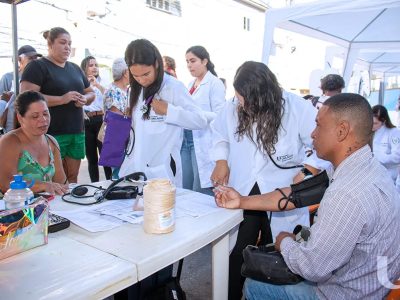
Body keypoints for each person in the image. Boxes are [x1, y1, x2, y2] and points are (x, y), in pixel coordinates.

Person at [215, 93, 400, 300]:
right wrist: (241, 200)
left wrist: (284, 242)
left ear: (342, 131)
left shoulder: (346, 194)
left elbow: (312, 267)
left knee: (254, 284)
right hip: (371, 283)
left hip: (345, 294)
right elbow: (297, 195)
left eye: (319, 125)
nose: (312, 134)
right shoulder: (366, 167)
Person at [210, 61, 325, 300]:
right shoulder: (233, 106)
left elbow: (321, 143)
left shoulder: (296, 107)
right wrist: (221, 161)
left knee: (281, 255)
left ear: (265, 95)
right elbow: (219, 134)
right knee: (237, 253)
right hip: (244, 191)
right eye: (240, 98)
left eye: (246, 100)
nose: (241, 105)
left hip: (283, 194)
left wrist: (308, 169)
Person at [119, 39, 207, 187]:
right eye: (135, 76)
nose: (141, 80)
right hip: (133, 169)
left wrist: (169, 111)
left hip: (161, 172)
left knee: (161, 208)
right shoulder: (134, 90)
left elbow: (200, 120)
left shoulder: (173, 87)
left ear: (157, 64)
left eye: (146, 74)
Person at [20, 27, 95, 183]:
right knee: (53, 179)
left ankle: (72, 205)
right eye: (62, 42)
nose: (67, 47)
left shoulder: (75, 68)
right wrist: (62, 99)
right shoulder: (37, 67)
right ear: (50, 44)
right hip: (51, 132)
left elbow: (91, 93)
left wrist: (84, 98)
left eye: (69, 43)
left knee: (73, 177)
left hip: (76, 130)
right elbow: (26, 97)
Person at [0, 91, 68, 195]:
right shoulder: (10, 142)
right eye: (35, 116)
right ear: (20, 118)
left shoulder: (51, 141)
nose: (43, 119)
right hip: (16, 208)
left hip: (47, 207)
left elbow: (62, 182)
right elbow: (5, 184)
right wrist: (42, 185)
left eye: (45, 113)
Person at [181, 45, 226, 195]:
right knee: (185, 186)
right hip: (186, 141)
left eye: (193, 61)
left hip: (202, 141)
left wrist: (196, 115)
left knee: (199, 190)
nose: (189, 65)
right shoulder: (190, 85)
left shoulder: (215, 83)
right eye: (187, 61)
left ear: (205, 61)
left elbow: (220, 116)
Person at [80, 56, 111, 182]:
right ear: (85, 68)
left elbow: (109, 96)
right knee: (92, 158)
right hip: (87, 121)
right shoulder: (80, 82)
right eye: (91, 65)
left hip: (100, 120)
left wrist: (97, 84)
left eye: (96, 65)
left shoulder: (103, 81)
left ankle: (110, 183)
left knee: (106, 157)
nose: (94, 68)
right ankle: (95, 185)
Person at [0, 45, 42, 132]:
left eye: (36, 58)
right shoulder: (8, 77)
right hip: (12, 123)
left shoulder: (39, 78)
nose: (34, 62)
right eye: (31, 58)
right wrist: (6, 99)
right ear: (19, 60)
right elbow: (2, 99)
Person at [102, 57, 130, 178]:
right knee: (119, 175)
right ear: (125, 72)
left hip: (128, 139)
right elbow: (117, 121)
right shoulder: (112, 91)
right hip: (118, 140)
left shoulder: (127, 89)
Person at [372, 104, 400, 184]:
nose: (372, 125)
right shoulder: (372, 133)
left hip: (389, 176)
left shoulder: (394, 133)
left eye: (375, 123)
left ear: (383, 121)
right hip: (375, 174)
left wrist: (378, 158)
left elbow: (397, 157)